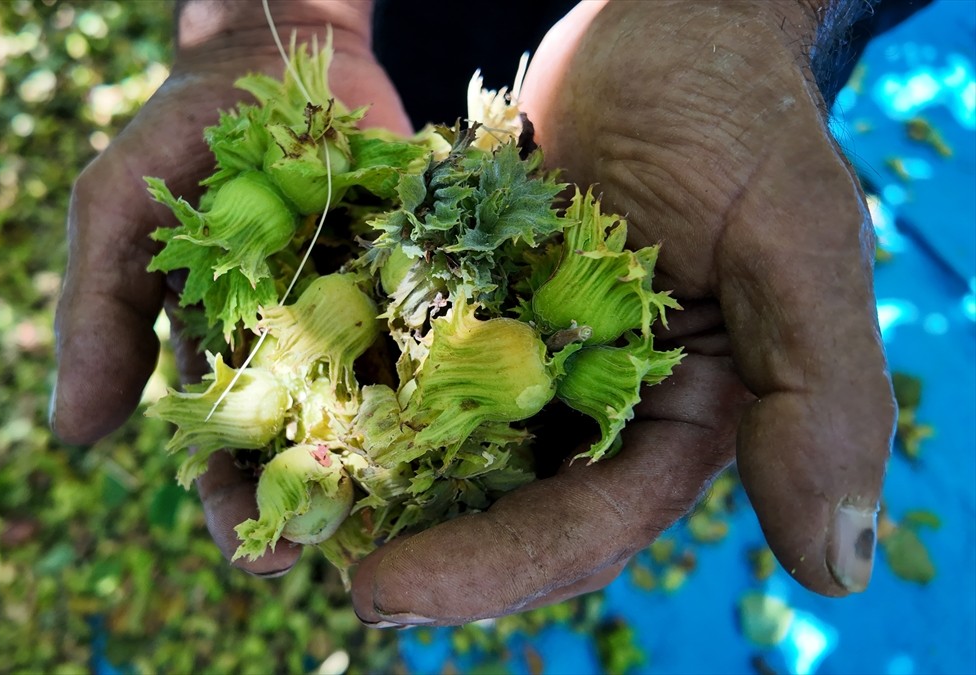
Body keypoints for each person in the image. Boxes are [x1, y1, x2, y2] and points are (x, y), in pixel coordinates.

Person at [51, 0, 929, 628]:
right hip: (441, 60)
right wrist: (268, 19)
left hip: (649, 67)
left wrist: (753, 18)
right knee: (442, 96)